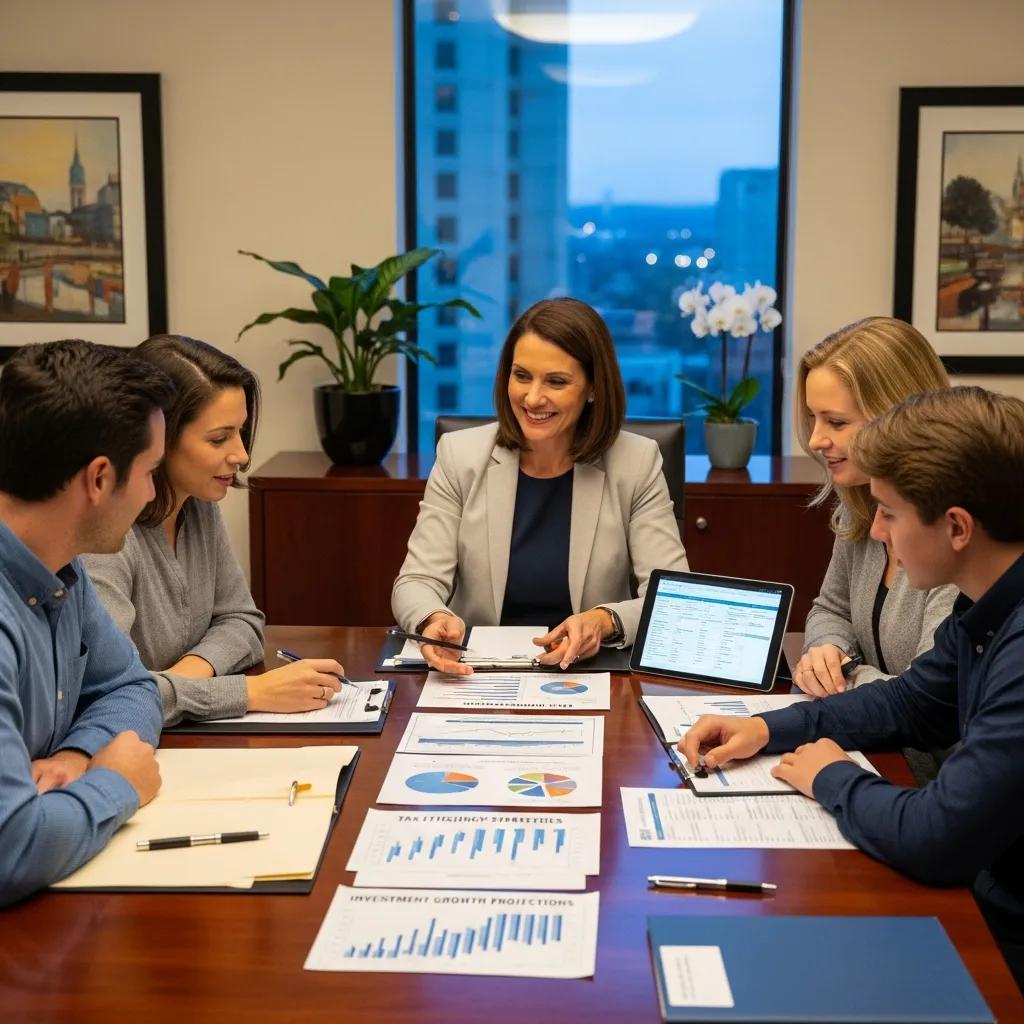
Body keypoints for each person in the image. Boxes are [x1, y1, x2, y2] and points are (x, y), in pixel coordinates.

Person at [680, 386, 1024, 989]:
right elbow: (912, 700)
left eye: (889, 512)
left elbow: (938, 837)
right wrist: (766, 728)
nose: (880, 532)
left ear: (957, 528)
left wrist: (830, 776)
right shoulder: (987, 604)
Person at [391, 296, 689, 675]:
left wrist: (603, 620)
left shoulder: (636, 462)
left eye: (557, 381)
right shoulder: (460, 455)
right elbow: (416, 581)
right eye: (521, 376)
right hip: (476, 673)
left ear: (593, 388)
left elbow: (672, 597)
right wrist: (432, 618)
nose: (532, 398)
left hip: (590, 674)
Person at [83, 335, 345, 726]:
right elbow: (106, 695)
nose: (241, 454)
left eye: (240, 432)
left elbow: (242, 621)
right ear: (158, 438)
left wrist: (186, 675)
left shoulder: (198, 503)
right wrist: (249, 693)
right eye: (219, 438)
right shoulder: (104, 536)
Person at [0, 340, 170, 906]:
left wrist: (80, 756)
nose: (152, 494)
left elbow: (129, 686)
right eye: (149, 472)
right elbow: (10, 849)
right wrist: (117, 781)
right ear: (99, 479)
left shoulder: (58, 564)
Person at [793, 317, 956, 697]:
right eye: (813, 418)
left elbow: (929, 700)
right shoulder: (860, 500)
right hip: (874, 740)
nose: (816, 439)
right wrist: (827, 650)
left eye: (835, 422)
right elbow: (829, 609)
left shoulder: (953, 529)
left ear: (897, 415)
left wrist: (844, 676)